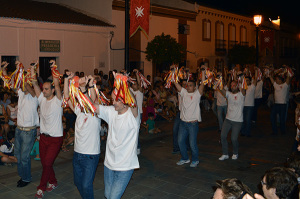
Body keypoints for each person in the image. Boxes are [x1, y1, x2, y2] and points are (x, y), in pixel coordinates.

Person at [95, 74, 140, 199]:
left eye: (116, 100)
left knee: (113, 197)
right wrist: (82, 89)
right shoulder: (111, 111)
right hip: (109, 163)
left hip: (125, 165)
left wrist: (122, 83)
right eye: (112, 99)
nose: (113, 102)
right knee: (107, 195)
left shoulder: (133, 116)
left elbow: (134, 104)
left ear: (125, 101)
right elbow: (94, 107)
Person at [1, 61, 39, 188]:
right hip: (19, 129)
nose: (22, 85)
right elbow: (11, 85)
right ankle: (23, 176)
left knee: (24, 157)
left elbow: (26, 86)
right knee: (18, 156)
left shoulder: (35, 95)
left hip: (29, 131)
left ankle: (27, 178)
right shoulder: (21, 93)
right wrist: (4, 71)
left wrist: (21, 70)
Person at [64, 73, 101, 199]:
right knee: (78, 183)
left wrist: (85, 87)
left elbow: (92, 102)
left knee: (86, 185)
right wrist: (66, 80)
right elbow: (66, 97)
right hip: (77, 153)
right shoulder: (78, 110)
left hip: (90, 155)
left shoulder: (95, 113)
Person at [31, 61, 63, 199]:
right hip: (43, 138)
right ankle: (54, 182)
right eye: (43, 88)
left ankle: (41, 188)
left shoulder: (58, 101)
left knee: (48, 163)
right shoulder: (42, 100)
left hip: (55, 138)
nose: (43, 91)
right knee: (46, 163)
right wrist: (33, 69)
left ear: (53, 90)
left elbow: (57, 83)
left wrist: (53, 68)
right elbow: (34, 84)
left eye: (46, 89)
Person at [173, 66, 205, 167]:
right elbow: (175, 83)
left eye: (190, 85)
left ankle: (195, 160)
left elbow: (203, 83)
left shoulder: (197, 94)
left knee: (192, 144)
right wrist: (174, 72)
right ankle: (185, 158)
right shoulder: (183, 93)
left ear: (195, 87)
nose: (188, 87)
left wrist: (203, 72)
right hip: (183, 123)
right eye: (187, 85)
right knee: (180, 141)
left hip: (193, 124)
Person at [218, 71, 246, 161]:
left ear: (238, 86)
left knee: (234, 139)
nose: (232, 86)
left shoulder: (241, 95)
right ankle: (225, 153)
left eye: (234, 85)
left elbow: (244, 88)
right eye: (231, 85)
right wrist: (218, 81)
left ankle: (235, 152)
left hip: (237, 121)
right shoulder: (229, 94)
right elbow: (221, 89)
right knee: (222, 136)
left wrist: (241, 77)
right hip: (228, 120)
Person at [130, 69, 143, 155]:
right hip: (131, 112)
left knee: (136, 131)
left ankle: (137, 147)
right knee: (131, 131)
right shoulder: (130, 91)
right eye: (133, 84)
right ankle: (132, 147)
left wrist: (137, 74)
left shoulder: (140, 91)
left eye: (136, 84)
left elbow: (139, 83)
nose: (135, 85)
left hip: (139, 113)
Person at [241, 69, 257, 137]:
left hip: (250, 106)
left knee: (247, 120)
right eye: (245, 80)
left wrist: (256, 71)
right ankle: (243, 132)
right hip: (243, 106)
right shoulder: (242, 87)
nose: (246, 82)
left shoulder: (252, 87)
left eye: (247, 80)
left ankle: (247, 133)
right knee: (243, 120)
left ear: (250, 81)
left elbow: (256, 79)